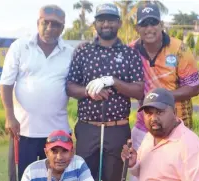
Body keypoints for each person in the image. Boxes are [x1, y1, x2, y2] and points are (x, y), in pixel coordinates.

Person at [66, 3, 144, 181]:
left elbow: (139, 91)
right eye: (101, 20)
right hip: (87, 128)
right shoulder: (83, 51)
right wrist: (88, 91)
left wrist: (114, 82)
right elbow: (70, 86)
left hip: (117, 130)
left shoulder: (130, 54)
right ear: (95, 24)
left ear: (119, 23)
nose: (106, 24)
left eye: (111, 20)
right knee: (84, 177)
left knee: (115, 177)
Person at [0, 4, 74, 180]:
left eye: (55, 24)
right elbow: (6, 83)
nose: (49, 28)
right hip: (24, 130)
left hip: (58, 132)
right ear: (37, 23)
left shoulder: (70, 53)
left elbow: (76, 85)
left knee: (58, 177)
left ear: (62, 28)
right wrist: (9, 116)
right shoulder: (20, 47)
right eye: (45, 23)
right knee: (21, 176)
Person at [129, 3, 199, 158]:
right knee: (141, 173)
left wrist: (163, 98)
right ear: (137, 29)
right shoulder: (131, 51)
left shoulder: (179, 49)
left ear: (161, 24)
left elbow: (194, 88)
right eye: (144, 24)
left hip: (178, 126)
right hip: (144, 127)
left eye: (153, 23)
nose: (149, 29)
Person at [121, 88, 199, 181]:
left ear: (174, 112)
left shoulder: (190, 145)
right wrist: (133, 163)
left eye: (159, 112)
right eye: (149, 113)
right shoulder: (149, 137)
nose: (153, 118)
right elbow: (143, 172)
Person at [21, 130, 94, 181]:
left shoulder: (78, 164)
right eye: (54, 151)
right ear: (46, 153)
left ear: (72, 152)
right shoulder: (31, 171)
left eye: (65, 151)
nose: (59, 157)